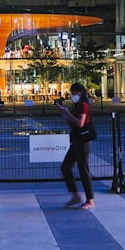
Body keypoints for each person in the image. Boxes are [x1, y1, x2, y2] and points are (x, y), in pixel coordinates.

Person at [55, 82, 95, 210]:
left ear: (80, 92)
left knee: (83, 170)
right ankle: (76, 195)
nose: (72, 95)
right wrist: (64, 113)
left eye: (73, 93)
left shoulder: (84, 105)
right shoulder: (77, 105)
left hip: (82, 142)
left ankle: (90, 200)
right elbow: (72, 123)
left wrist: (68, 113)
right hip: (76, 140)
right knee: (66, 167)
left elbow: (80, 123)